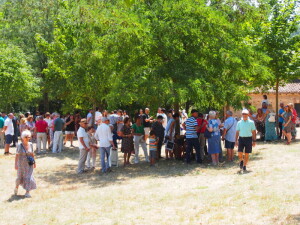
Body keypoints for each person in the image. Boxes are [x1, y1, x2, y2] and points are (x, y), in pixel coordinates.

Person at [15, 130, 37, 198]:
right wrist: (15, 164)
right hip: (21, 164)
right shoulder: (19, 145)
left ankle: (27, 192)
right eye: (26, 137)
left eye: (29, 137)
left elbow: (32, 154)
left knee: (29, 177)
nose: (28, 138)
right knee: (19, 177)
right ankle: (16, 187)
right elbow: (17, 155)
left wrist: (35, 162)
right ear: (23, 137)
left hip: (29, 164)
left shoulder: (30, 144)